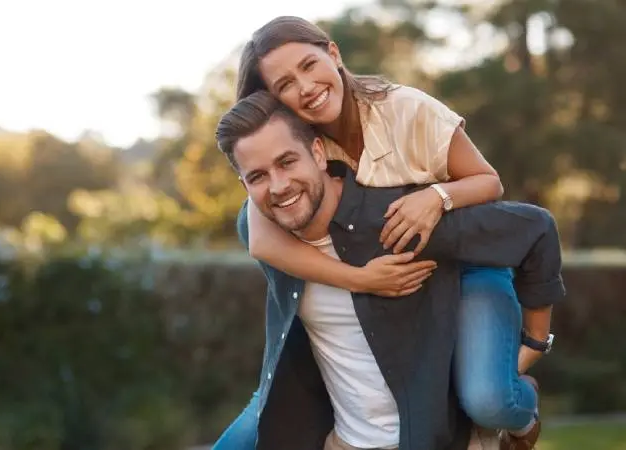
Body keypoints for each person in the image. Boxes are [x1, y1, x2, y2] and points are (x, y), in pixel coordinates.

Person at [232, 16, 554, 448]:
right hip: (404, 276)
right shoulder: (296, 149)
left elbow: (488, 183)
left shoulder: (404, 108)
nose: (305, 88)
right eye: (285, 85)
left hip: (465, 258)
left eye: (309, 66)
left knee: (488, 398)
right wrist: (361, 279)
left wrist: (436, 197)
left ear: (333, 54)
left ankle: (523, 407)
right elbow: (260, 240)